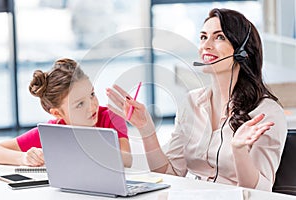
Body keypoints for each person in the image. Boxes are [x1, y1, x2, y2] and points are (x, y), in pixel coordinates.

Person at [106, 8, 287, 191]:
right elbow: (170, 175)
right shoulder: (192, 102)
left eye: (219, 37)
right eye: (203, 37)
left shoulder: (266, 113)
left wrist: (239, 151)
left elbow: (260, 193)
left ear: (242, 51)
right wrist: (146, 130)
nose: (206, 45)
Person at [0, 58, 132, 167]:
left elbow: (126, 160)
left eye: (91, 94)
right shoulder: (52, 131)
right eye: (80, 104)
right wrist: (24, 158)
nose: (92, 106)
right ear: (57, 113)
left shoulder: (110, 117)